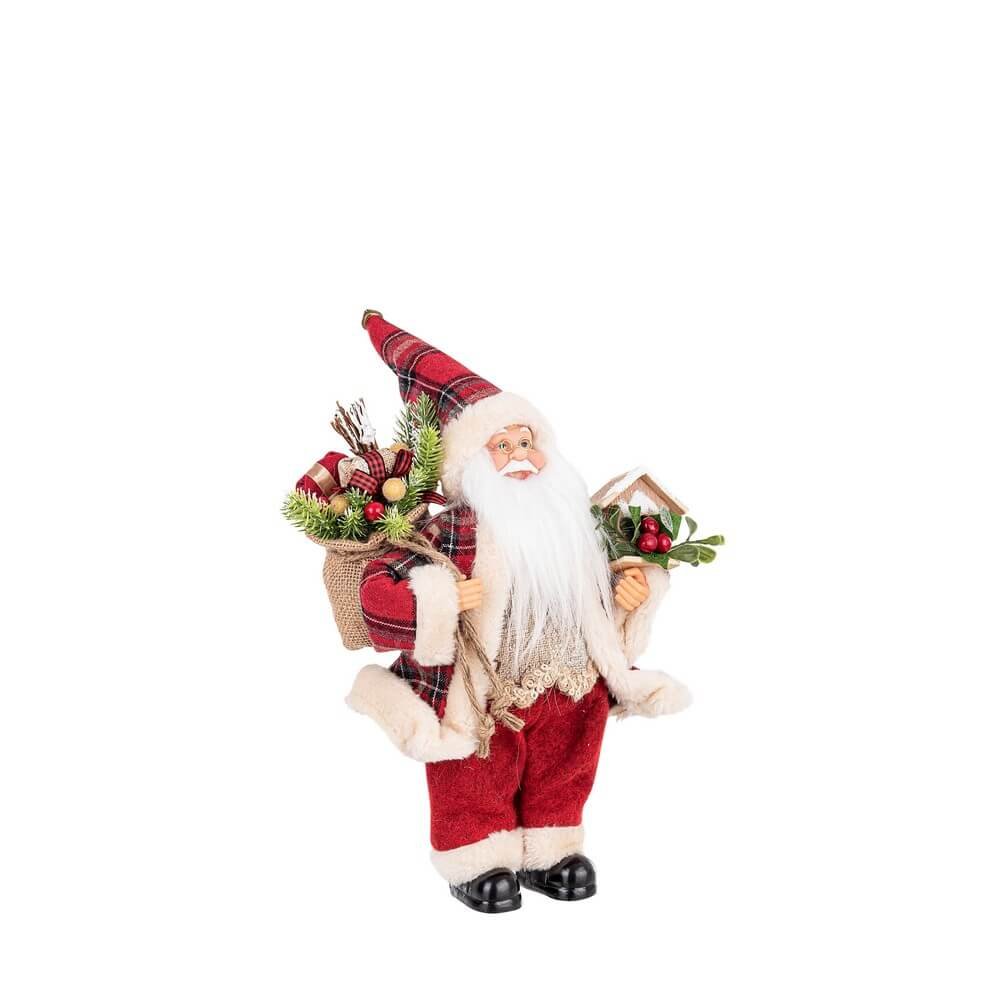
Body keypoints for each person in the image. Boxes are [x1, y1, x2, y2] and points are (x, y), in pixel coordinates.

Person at [346, 312, 690, 913]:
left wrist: (630, 593)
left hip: (571, 681)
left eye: (526, 443)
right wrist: (437, 596)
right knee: (477, 768)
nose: (519, 457)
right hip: (488, 688)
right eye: (501, 447)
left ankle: (552, 850)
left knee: (567, 764)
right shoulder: (456, 530)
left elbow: (602, 586)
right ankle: (475, 856)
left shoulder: (574, 525)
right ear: (472, 464)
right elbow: (378, 585)